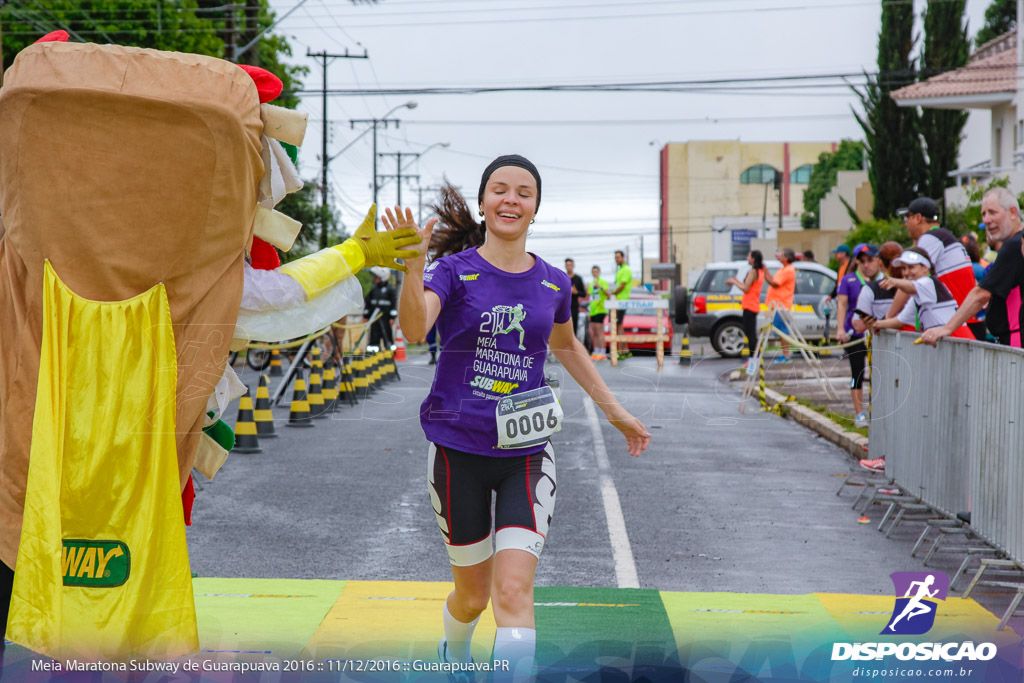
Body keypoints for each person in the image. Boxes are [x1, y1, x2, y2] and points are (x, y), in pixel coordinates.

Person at [392, 155, 651, 683]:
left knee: (512, 591)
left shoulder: (553, 283)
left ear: (535, 209)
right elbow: (417, 330)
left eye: (523, 192)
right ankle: (453, 655)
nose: (511, 199)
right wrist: (413, 270)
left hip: (526, 456)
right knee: (471, 598)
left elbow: (569, 346)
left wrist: (615, 412)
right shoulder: (455, 270)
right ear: (485, 203)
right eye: (499, 190)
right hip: (456, 451)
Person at [921, 187, 1024, 348]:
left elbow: (981, 294)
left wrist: (946, 328)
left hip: (1015, 343)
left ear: (1012, 212)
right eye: (983, 214)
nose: (987, 220)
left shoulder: (1014, 245)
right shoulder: (1016, 244)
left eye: (992, 212)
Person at [872, 247, 974, 339]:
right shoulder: (919, 295)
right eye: (904, 268)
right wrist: (877, 324)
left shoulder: (929, 282)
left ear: (925, 267)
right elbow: (900, 321)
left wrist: (894, 281)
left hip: (959, 341)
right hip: (954, 343)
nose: (906, 272)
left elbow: (912, 286)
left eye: (911, 267)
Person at [835, 244, 881, 427]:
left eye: (869, 260)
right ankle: (859, 412)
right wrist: (840, 328)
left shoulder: (878, 280)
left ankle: (877, 410)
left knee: (877, 371)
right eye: (862, 261)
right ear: (856, 261)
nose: (866, 264)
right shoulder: (849, 280)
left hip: (874, 333)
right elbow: (842, 305)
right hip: (854, 334)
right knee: (857, 373)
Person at [725, 250, 766, 370]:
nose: (747, 258)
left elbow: (746, 289)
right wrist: (736, 280)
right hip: (754, 305)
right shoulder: (760, 272)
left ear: (753, 259)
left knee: (750, 334)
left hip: (749, 306)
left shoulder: (753, 272)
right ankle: (755, 358)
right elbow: (749, 286)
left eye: (749, 256)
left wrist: (733, 282)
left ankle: (753, 359)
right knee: (751, 333)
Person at [764, 248, 797, 363]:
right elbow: (774, 280)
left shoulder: (788, 270)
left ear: (787, 258)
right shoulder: (783, 269)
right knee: (779, 330)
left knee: (783, 331)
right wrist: (766, 271)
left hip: (782, 305)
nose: (780, 257)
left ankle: (786, 355)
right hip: (777, 304)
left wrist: (764, 273)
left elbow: (775, 283)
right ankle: (785, 354)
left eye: (782, 255)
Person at [364, 266, 397, 350]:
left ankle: (390, 355)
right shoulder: (373, 289)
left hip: (385, 318)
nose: (375, 279)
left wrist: (392, 317)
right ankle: (373, 355)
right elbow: (368, 303)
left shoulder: (390, 290)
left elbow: (394, 305)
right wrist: (366, 316)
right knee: (374, 338)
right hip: (374, 319)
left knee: (387, 336)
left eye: (377, 277)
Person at [610, 250, 633, 360]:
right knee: (619, 325)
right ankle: (625, 350)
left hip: (620, 300)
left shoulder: (626, 269)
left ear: (623, 257)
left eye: (618, 257)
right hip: (617, 301)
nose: (617, 259)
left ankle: (619, 351)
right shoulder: (619, 270)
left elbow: (622, 286)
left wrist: (612, 294)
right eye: (615, 257)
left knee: (617, 324)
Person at [588, 265, 610, 360]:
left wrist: (600, 287)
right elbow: (590, 298)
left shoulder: (603, 282)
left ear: (599, 272)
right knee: (594, 331)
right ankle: (596, 352)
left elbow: (607, 294)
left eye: (596, 271)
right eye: (593, 271)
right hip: (593, 310)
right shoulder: (591, 284)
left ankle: (603, 352)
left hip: (601, 309)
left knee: (600, 331)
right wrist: (589, 311)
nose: (595, 273)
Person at [564, 258, 586, 340]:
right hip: (564, 307)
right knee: (564, 328)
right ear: (565, 266)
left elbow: (583, 294)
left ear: (573, 266)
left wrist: (576, 292)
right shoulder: (563, 277)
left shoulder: (578, 279)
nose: (569, 267)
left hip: (574, 307)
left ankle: (573, 348)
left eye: (570, 265)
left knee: (574, 327)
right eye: (567, 265)